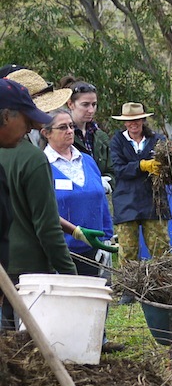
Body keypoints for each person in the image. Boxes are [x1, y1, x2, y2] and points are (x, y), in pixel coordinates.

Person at [0, 77, 76, 329]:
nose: (31, 127)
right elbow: (46, 227)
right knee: (26, 344)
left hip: (8, 266)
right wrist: (70, 276)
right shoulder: (33, 160)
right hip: (28, 271)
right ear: (6, 116)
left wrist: (75, 231)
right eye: (27, 119)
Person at [40, 109, 114, 278]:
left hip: (95, 250)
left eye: (71, 126)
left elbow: (101, 202)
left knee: (97, 303)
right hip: (61, 254)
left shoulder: (87, 160)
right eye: (63, 127)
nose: (70, 131)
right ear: (46, 133)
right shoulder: (42, 166)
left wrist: (107, 240)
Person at [109, 102, 170, 265]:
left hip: (154, 201)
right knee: (128, 251)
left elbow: (168, 167)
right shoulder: (117, 141)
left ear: (143, 120)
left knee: (161, 249)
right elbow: (118, 169)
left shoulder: (158, 140)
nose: (133, 123)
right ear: (124, 122)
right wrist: (142, 165)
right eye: (129, 120)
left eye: (137, 119)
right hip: (126, 202)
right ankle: (128, 288)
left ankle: (164, 287)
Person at [61, 77, 114, 191]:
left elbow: (112, 170)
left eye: (94, 104)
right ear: (70, 104)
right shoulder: (60, 134)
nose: (91, 110)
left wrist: (108, 183)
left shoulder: (101, 137)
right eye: (85, 104)